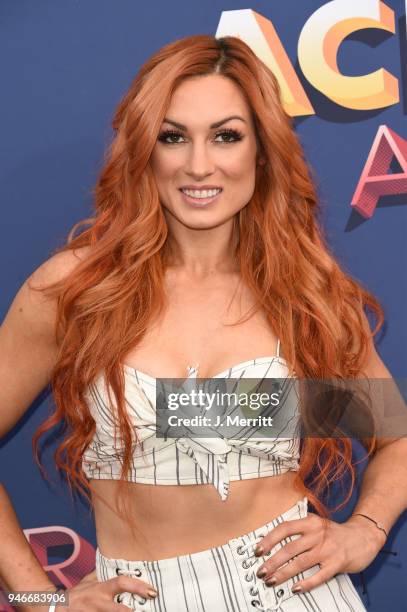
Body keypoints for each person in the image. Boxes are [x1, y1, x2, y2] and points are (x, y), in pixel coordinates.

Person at [1, 33, 406, 612]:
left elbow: (396, 438)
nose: (199, 164)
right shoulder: (78, 290)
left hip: (296, 595)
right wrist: (41, 601)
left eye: (226, 136)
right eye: (173, 137)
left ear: (261, 151)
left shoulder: (303, 295)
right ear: (145, 149)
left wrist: (364, 530)